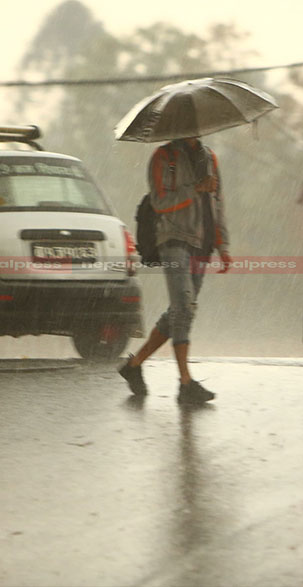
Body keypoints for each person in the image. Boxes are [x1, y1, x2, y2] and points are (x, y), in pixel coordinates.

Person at [118, 136, 233, 404]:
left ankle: (133, 365)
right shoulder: (163, 158)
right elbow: (160, 202)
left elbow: (218, 204)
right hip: (173, 240)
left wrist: (222, 244)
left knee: (182, 309)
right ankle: (185, 382)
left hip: (202, 245)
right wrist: (196, 189)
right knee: (183, 307)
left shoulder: (210, 158)